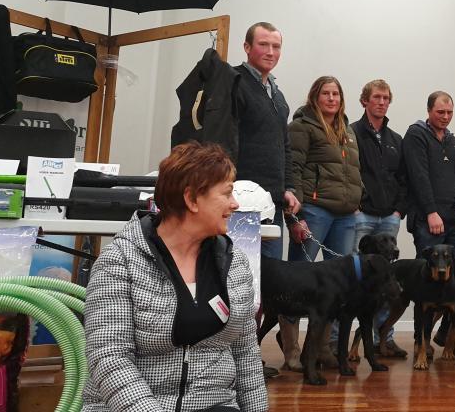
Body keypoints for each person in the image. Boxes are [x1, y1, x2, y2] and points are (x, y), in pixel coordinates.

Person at [83, 142, 267, 412]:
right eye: (227, 193)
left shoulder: (234, 262)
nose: (235, 204)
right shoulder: (120, 260)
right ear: (192, 199)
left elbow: (246, 355)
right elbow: (110, 358)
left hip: (214, 404)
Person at [235, 22, 301, 378]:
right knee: (240, 283)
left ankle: (249, 359)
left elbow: (284, 148)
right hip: (241, 206)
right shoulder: (234, 84)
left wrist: (288, 187)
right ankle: (233, 359)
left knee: (264, 286)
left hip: (272, 206)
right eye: (264, 45)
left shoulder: (277, 94)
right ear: (247, 47)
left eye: (276, 46)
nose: (271, 52)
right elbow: (225, 141)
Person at [350, 79, 409, 358]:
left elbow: (403, 180)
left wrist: (399, 212)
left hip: (389, 219)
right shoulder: (351, 134)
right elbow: (349, 174)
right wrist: (356, 206)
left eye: (386, 98)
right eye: (376, 97)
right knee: (354, 278)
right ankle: (341, 340)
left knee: (386, 280)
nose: (381, 102)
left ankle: (383, 338)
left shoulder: (396, 140)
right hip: (362, 215)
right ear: (364, 101)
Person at [288, 75, 361, 262]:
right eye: (326, 93)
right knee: (301, 274)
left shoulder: (348, 130)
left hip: (346, 216)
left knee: (340, 280)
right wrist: (295, 219)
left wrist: (357, 201)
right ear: (315, 97)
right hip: (314, 212)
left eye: (336, 94)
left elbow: (353, 170)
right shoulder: (301, 127)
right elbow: (292, 170)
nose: (331, 98)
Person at [402, 91, 455, 259]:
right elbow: (419, 177)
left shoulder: (454, 143)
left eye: (450, 112)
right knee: (430, 277)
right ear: (428, 110)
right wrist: (431, 212)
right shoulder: (416, 135)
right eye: (441, 112)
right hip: (428, 220)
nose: (446, 117)